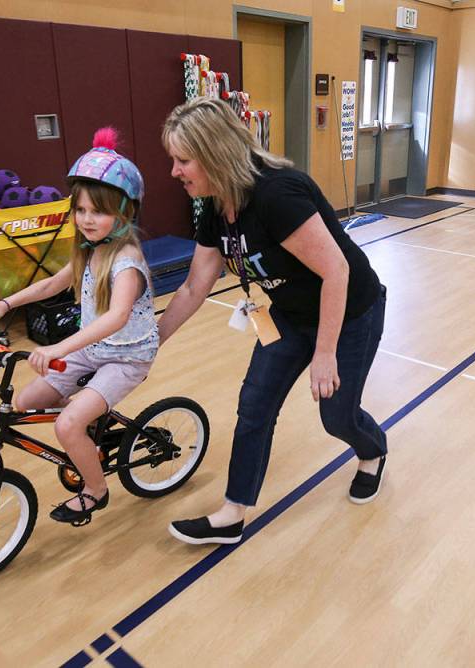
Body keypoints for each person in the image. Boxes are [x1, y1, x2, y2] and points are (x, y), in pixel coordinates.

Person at [158, 97, 388, 546]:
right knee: (255, 405)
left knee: (336, 417)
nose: (175, 171)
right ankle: (232, 513)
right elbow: (192, 287)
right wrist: (151, 344)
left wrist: (325, 355)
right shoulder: (214, 207)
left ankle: (373, 450)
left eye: (183, 160)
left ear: (214, 154)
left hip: (349, 311)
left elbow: (336, 271)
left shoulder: (276, 195)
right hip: (285, 315)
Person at [0, 128, 158, 525]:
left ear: (124, 212)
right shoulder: (86, 248)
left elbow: (117, 317)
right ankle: (92, 426)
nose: (87, 219)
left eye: (98, 210)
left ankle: (96, 490)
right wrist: (5, 303)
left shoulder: (126, 261)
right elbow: (51, 284)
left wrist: (60, 348)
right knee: (26, 403)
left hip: (127, 357)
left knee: (67, 423)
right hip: (94, 349)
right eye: (80, 210)